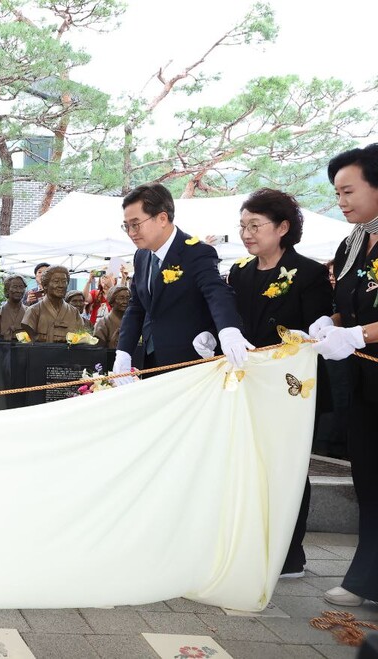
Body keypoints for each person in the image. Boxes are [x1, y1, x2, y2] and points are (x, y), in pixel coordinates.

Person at [193, 189, 332, 578]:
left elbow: (316, 330)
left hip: (290, 387)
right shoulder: (240, 271)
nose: (246, 233)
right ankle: (247, 541)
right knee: (244, 462)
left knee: (286, 466)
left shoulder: (309, 272)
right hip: (247, 382)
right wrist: (211, 335)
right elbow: (231, 317)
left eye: (255, 225)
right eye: (242, 226)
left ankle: (290, 554)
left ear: (283, 227)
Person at [307, 144, 378, 607]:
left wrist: (359, 335)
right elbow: (344, 305)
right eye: (336, 192)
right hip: (362, 382)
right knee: (368, 478)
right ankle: (366, 578)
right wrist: (326, 326)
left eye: (349, 190)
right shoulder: (352, 241)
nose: (342, 201)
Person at [113, 183, 247, 381]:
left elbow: (216, 292)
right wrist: (124, 351)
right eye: (127, 226)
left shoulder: (195, 252)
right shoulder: (141, 256)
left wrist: (229, 329)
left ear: (162, 218)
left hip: (189, 362)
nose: (131, 232)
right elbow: (137, 307)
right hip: (150, 362)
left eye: (136, 224)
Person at [20, 265, 86, 342]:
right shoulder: (33, 311)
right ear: (45, 285)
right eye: (56, 281)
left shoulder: (74, 313)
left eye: (64, 282)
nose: (61, 285)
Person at [0, 274, 26, 341]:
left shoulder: (30, 312)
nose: (18, 290)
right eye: (15, 287)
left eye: (21, 287)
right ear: (7, 290)